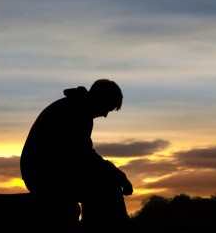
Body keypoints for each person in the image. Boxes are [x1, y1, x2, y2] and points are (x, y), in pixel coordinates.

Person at [20, 79, 134, 231]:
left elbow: (82, 155)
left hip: (44, 172)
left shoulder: (75, 106)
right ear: (101, 99)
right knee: (107, 186)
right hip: (44, 176)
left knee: (105, 182)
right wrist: (118, 175)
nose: (105, 115)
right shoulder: (77, 111)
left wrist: (113, 173)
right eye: (108, 108)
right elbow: (83, 155)